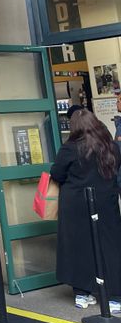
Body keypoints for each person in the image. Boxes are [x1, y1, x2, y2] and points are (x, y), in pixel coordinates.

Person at [50, 109, 121, 311]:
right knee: (111, 246)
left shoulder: (70, 148)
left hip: (75, 204)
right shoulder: (112, 147)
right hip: (106, 201)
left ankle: (82, 294)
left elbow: (57, 173)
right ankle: (115, 296)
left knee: (78, 246)